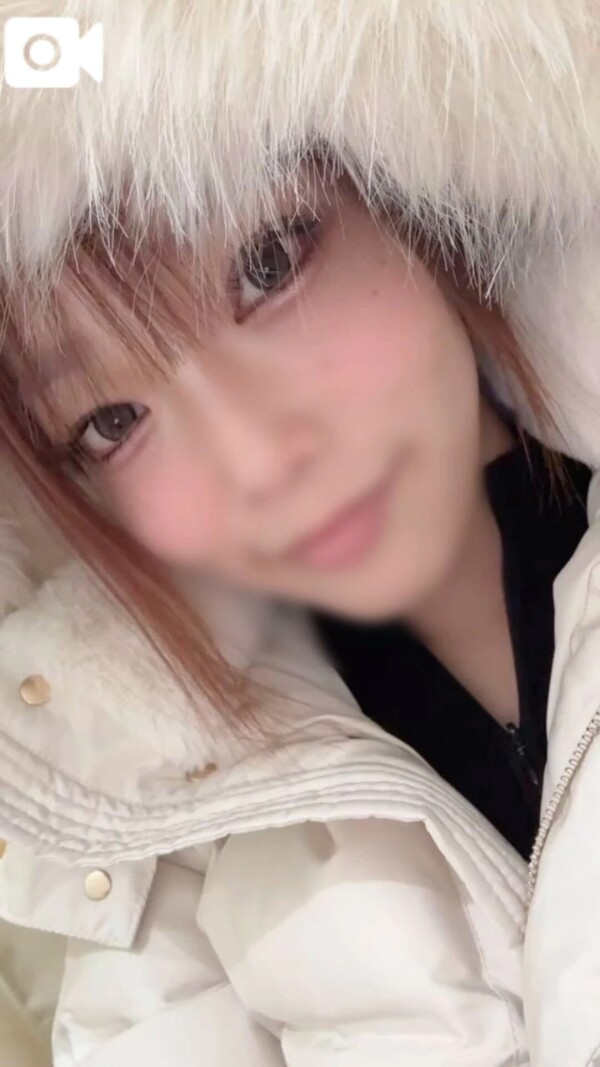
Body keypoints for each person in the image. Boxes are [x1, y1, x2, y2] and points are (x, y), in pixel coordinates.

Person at [0, 3, 599, 1065]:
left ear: (409, 194)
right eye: (112, 420)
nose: (255, 460)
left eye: (270, 264)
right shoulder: (171, 846)